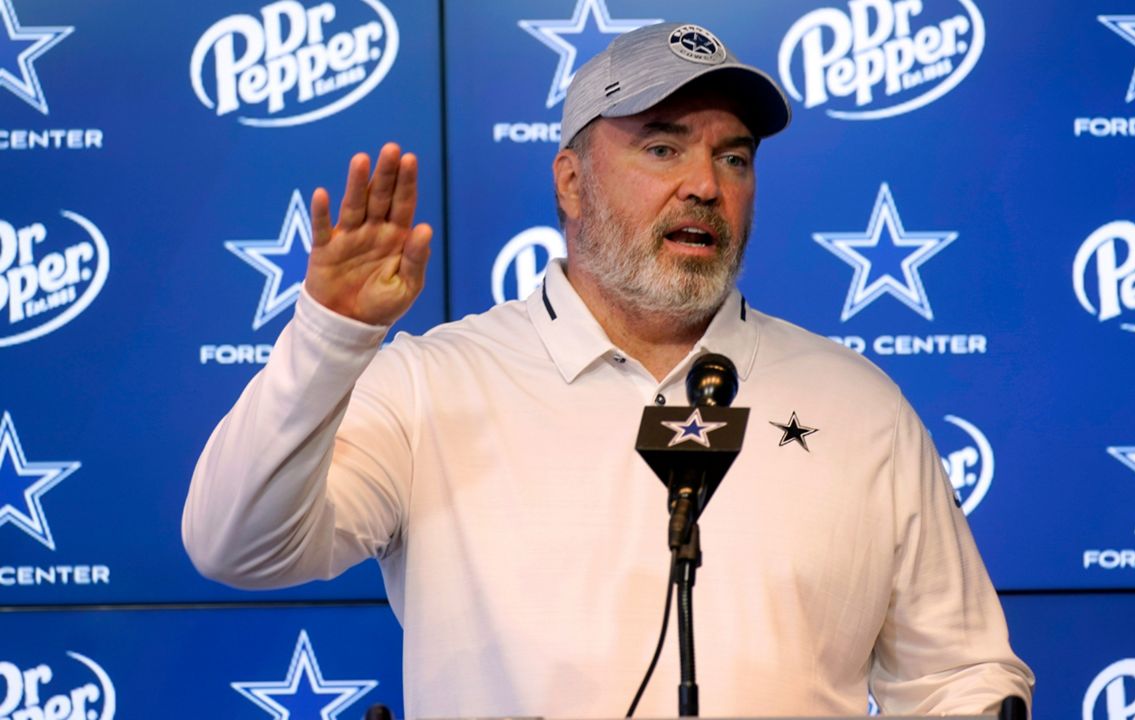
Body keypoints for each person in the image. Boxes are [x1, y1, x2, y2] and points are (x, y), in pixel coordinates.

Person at [184, 22, 1033, 718]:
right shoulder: (432, 385)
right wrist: (331, 337)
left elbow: (960, 675)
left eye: (734, 158)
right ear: (571, 183)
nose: (706, 185)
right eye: (664, 150)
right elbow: (236, 546)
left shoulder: (856, 404)